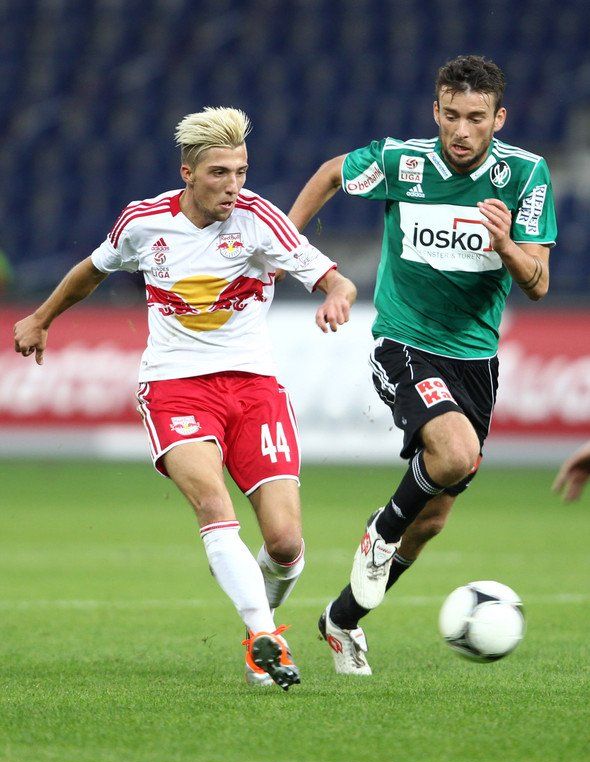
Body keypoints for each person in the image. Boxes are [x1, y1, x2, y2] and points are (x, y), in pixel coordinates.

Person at [14, 106, 357, 691]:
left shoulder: (260, 220)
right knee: (213, 505)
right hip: (176, 386)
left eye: (241, 172)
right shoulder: (143, 221)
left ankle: (261, 623)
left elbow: (334, 277)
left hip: (254, 387)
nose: (233, 186)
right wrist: (43, 318)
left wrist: (337, 296)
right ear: (188, 173)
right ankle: (264, 638)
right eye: (220, 173)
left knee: (285, 544)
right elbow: (92, 270)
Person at [288, 55, 557, 675]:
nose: (461, 131)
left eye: (476, 118)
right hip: (405, 342)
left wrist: (506, 244)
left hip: (476, 361)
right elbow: (330, 175)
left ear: (499, 118)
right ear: (435, 111)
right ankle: (380, 531)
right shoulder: (401, 161)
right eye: (451, 116)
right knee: (454, 456)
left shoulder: (525, 175)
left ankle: (341, 620)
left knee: (432, 519)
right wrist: (287, 246)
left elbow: (539, 283)